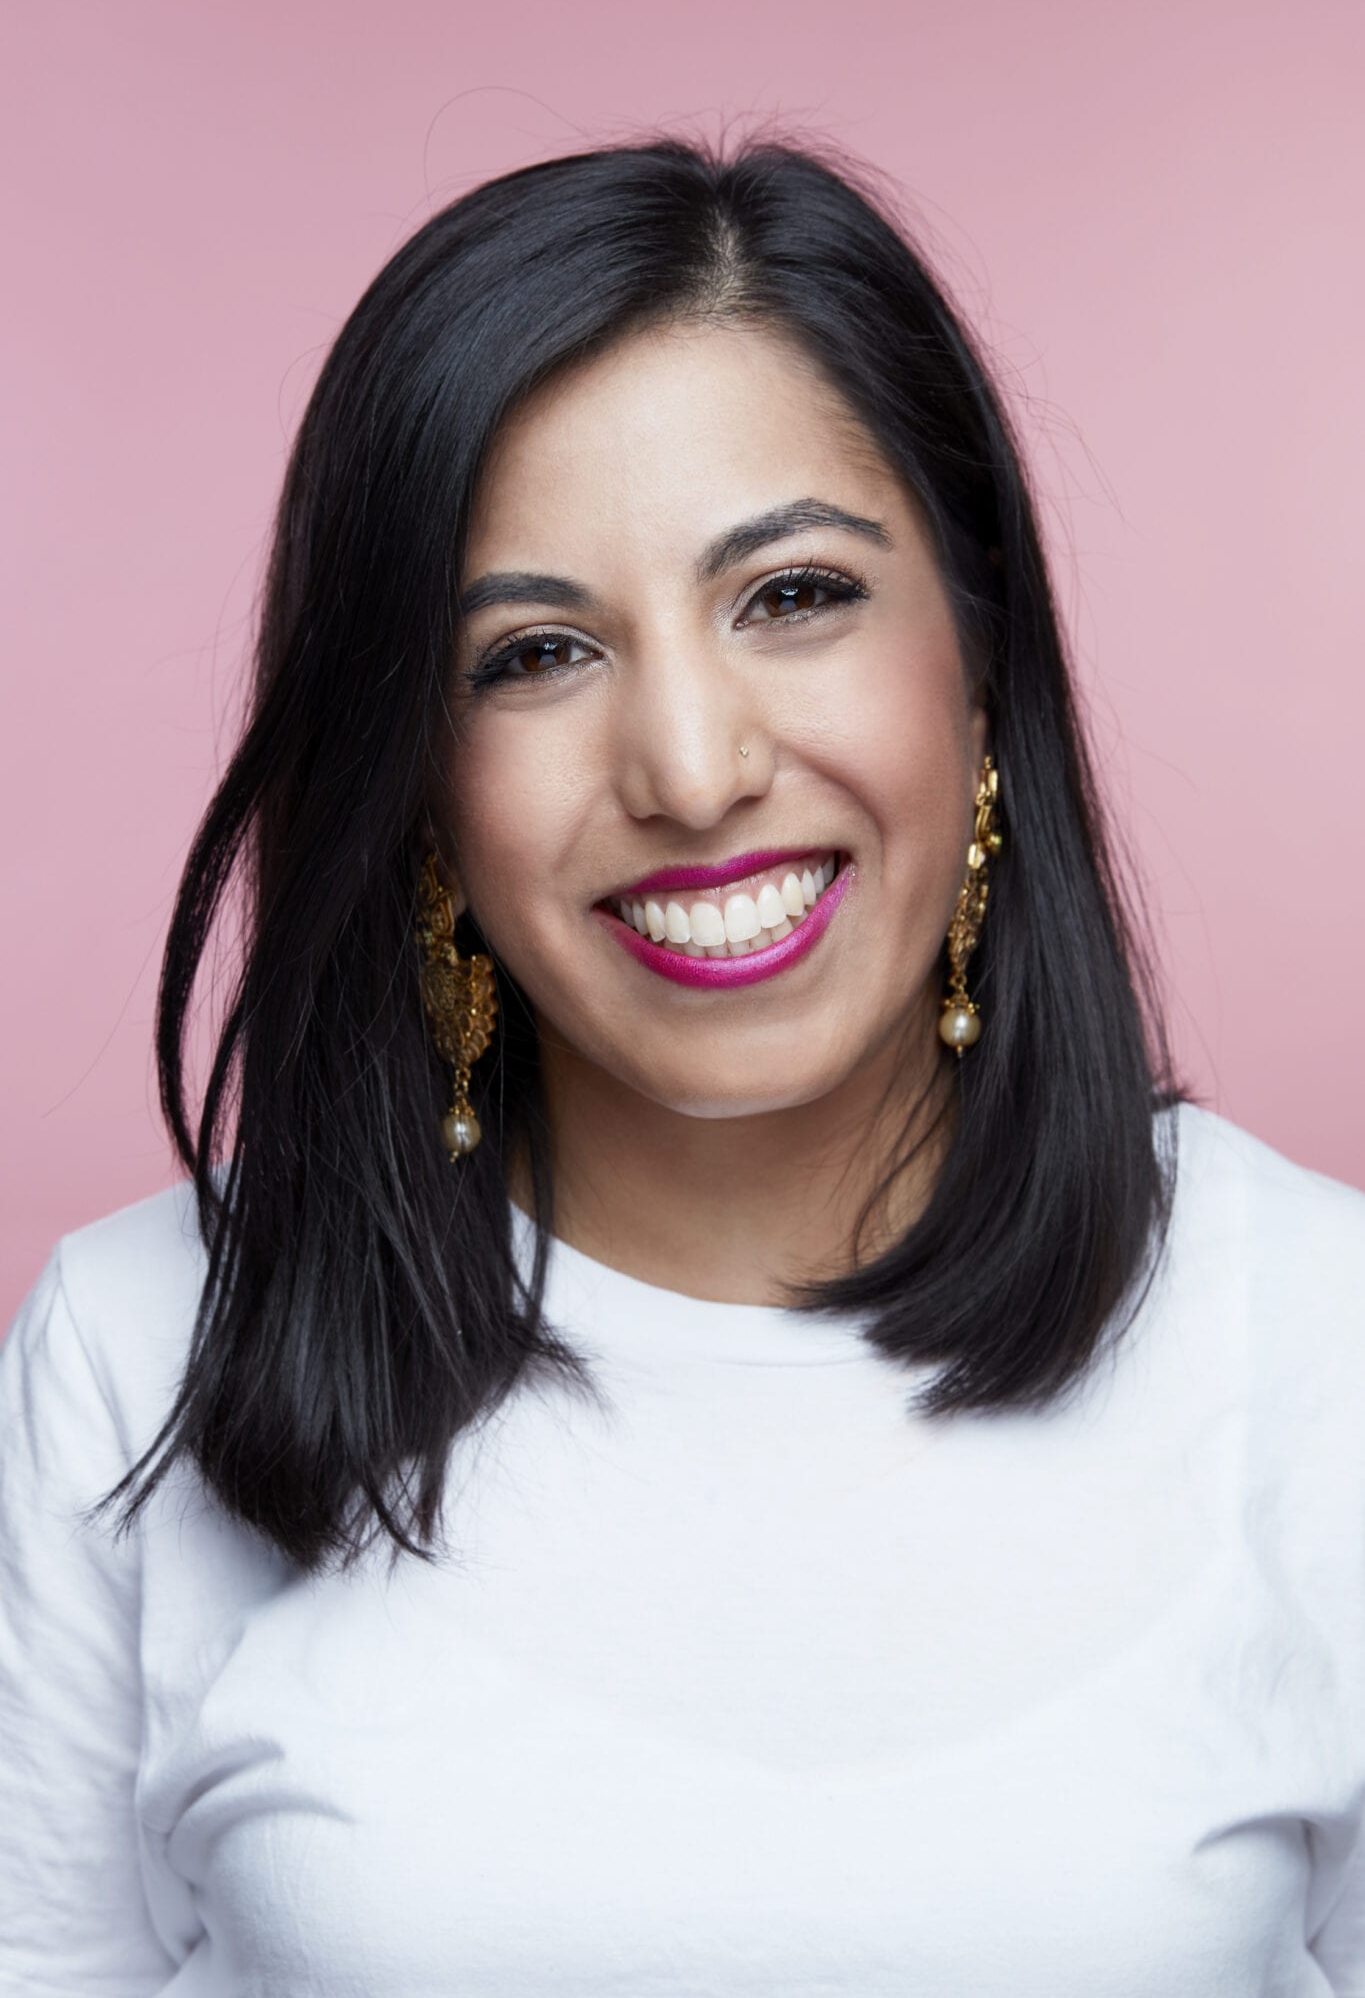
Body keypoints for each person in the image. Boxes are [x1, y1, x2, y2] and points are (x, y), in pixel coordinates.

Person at [2, 131, 1362, 1997]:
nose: (693, 770)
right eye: (536, 653)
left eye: (791, 595)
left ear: (979, 659)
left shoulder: (1322, 1342)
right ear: (416, 782)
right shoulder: (133, 1353)